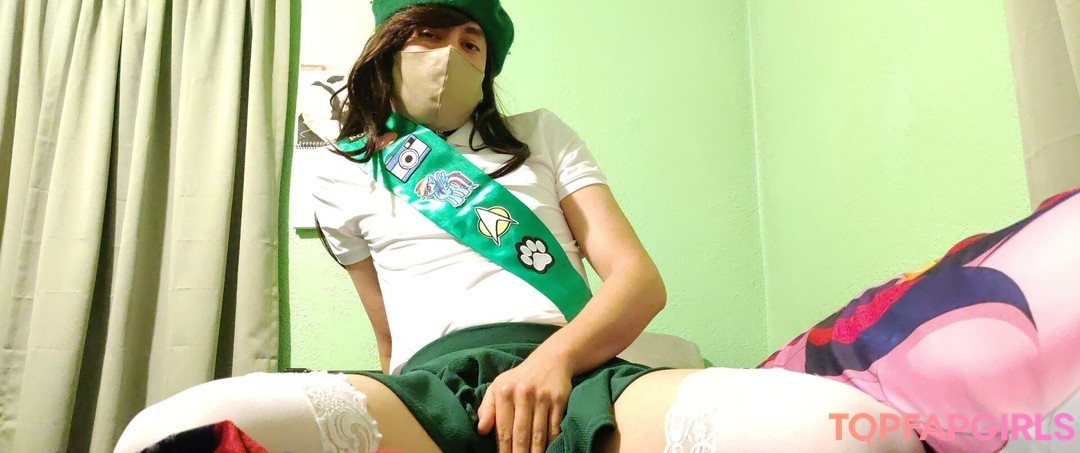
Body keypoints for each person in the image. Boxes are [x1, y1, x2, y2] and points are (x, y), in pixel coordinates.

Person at [114, 1, 1078, 452]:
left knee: (841, 435)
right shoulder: (335, 172)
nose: (452, 52)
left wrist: (553, 363)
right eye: (431, 31)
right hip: (428, 389)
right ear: (386, 43)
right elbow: (386, 335)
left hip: (578, 370)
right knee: (171, 433)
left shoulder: (538, 133)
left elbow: (636, 282)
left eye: (473, 41)